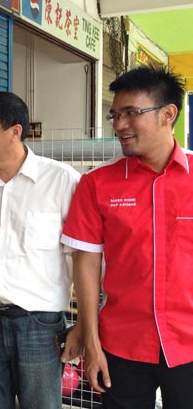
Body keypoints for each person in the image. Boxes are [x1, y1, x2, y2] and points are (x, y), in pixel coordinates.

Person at [62, 66, 193, 409]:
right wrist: (91, 341)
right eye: (115, 115)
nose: (119, 125)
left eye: (131, 113)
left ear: (168, 114)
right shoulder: (97, 184)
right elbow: (86, 264)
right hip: (122, 344)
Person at [0, 91, 82, 409]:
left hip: (40, 325)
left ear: (15, 131)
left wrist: (85, 326)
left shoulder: (62, 182)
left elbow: (81, 257)